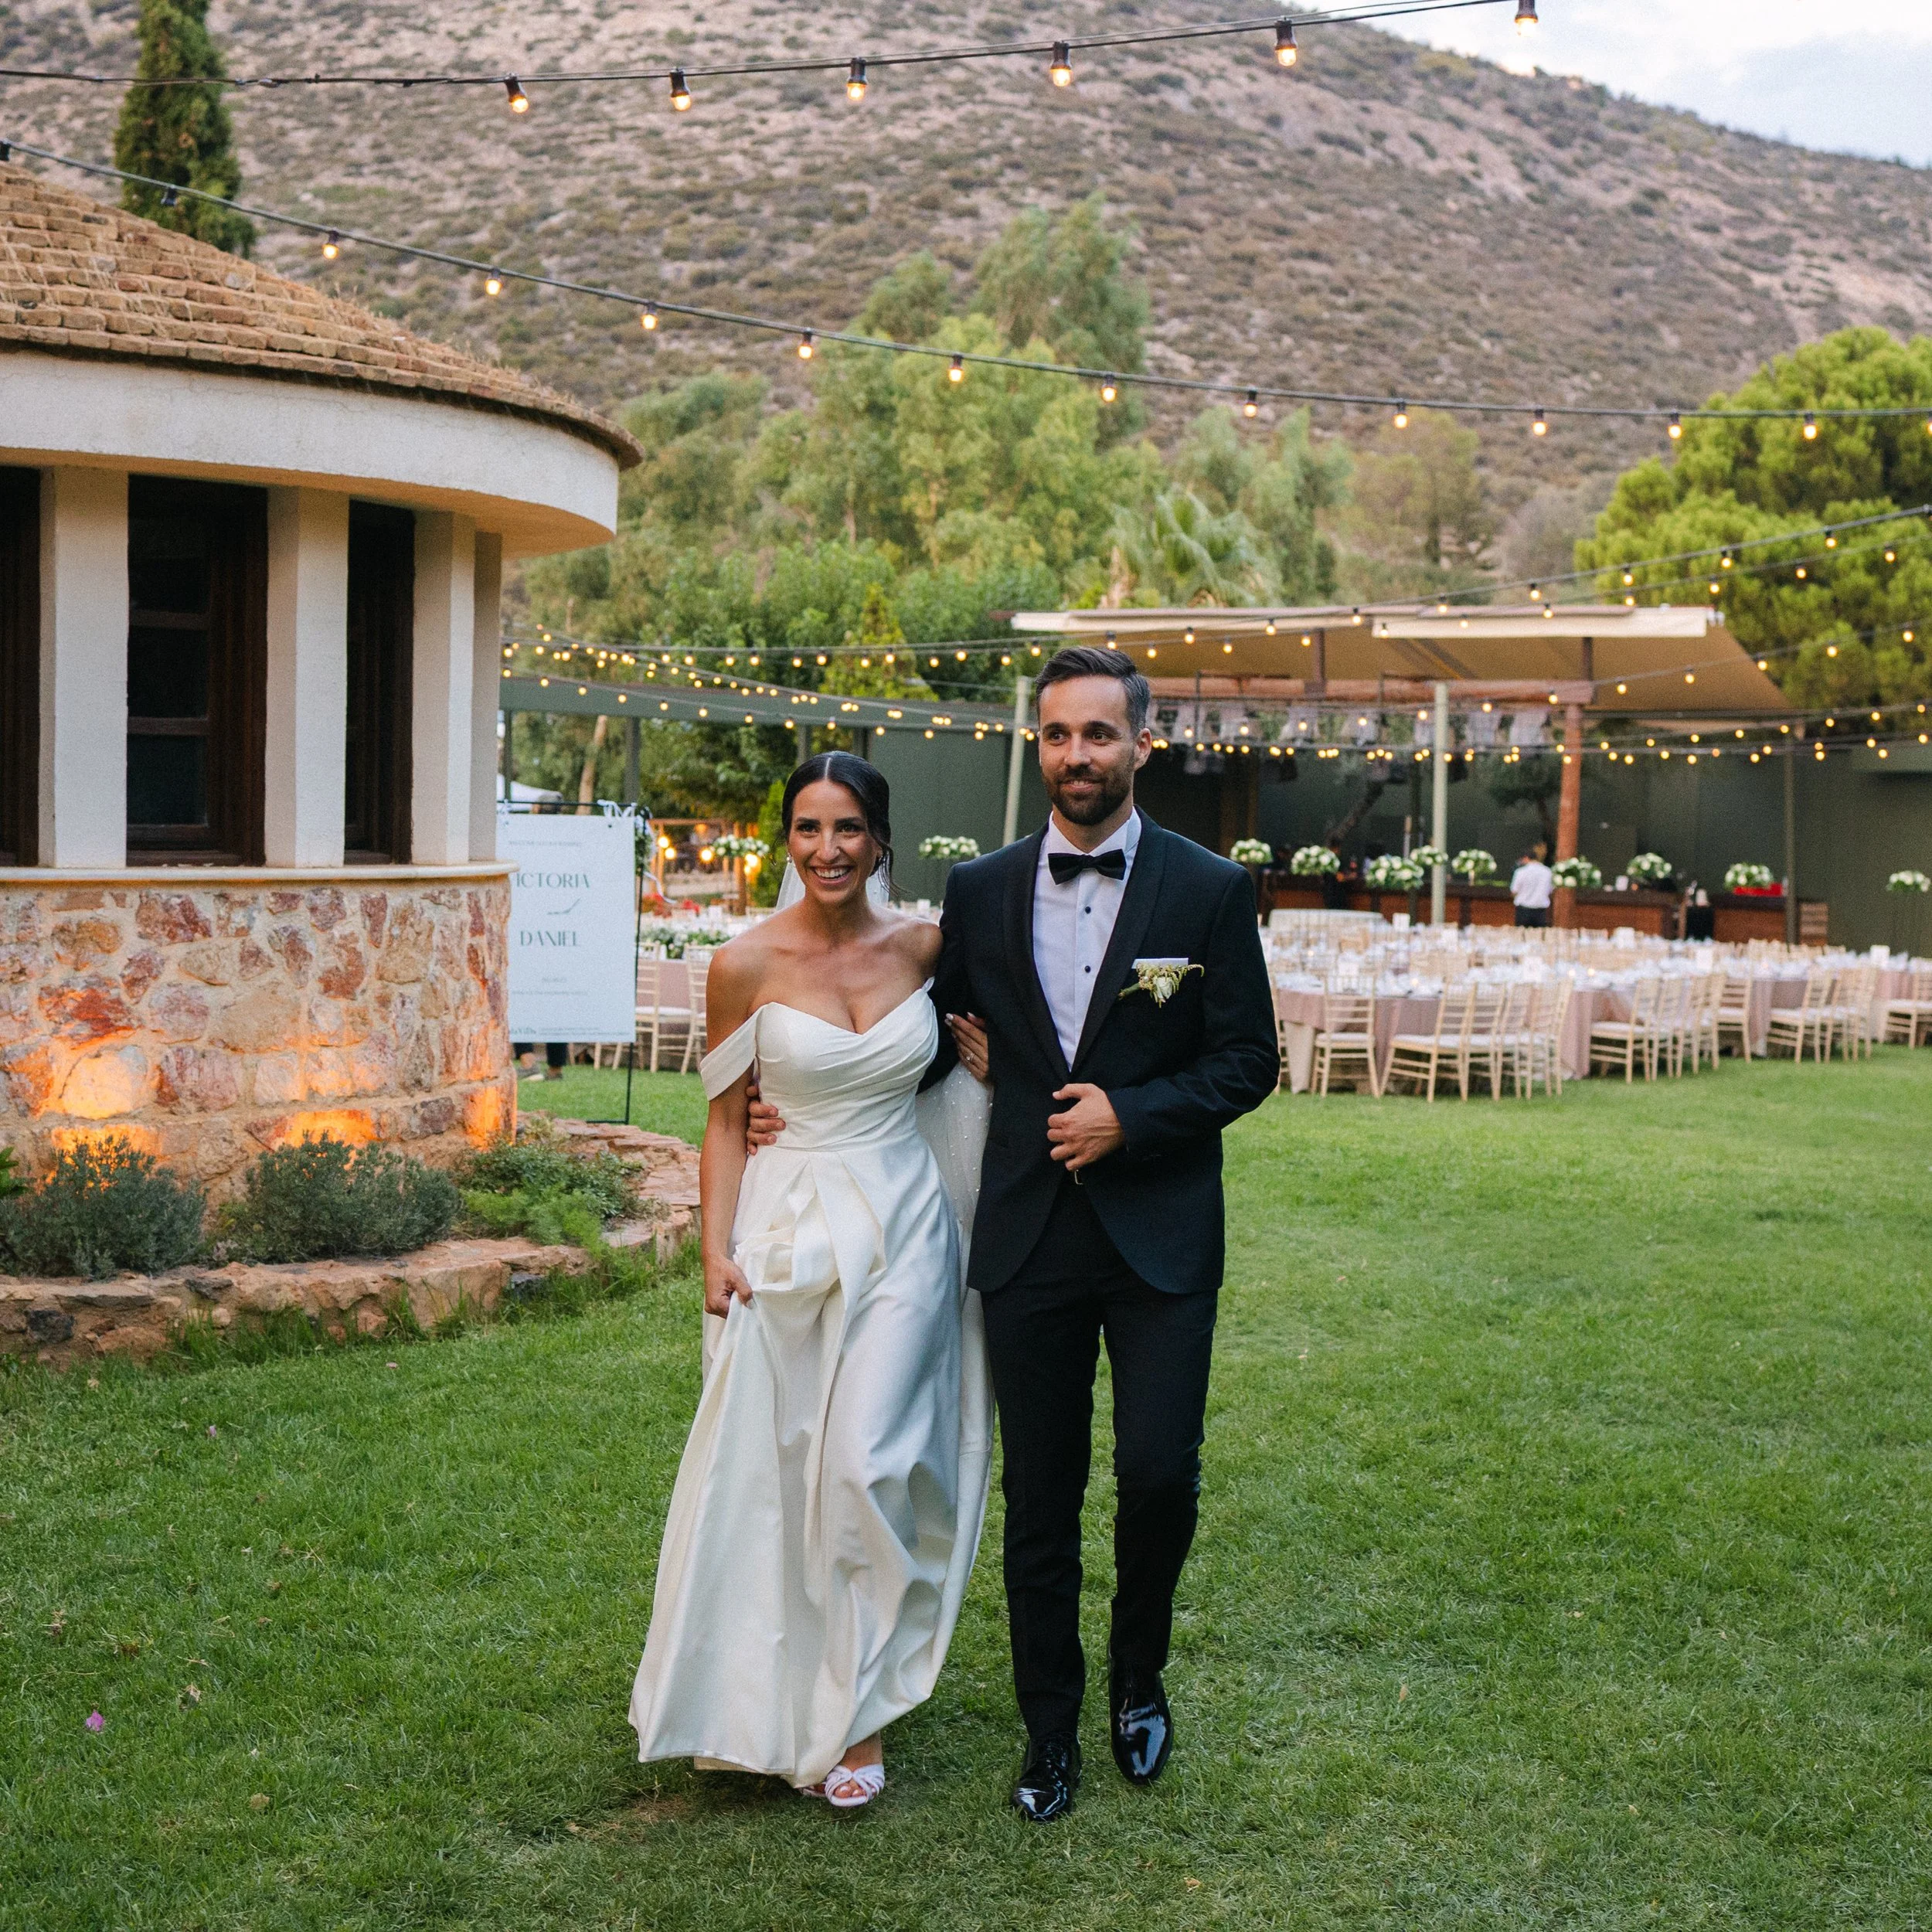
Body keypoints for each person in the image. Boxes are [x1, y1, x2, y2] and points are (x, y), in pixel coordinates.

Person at [752, 645, 1278, 1822]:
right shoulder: (981, 890)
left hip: (1161, 1240)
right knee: (1040, 1496)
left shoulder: (1207, 888)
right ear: (1036, 745)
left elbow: (1251, 1059)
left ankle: (1137, 1681)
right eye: (1056, 734)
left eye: (1098, 733)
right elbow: (916, 1038)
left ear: (1141, 743)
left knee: (1159, 1476)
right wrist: (786, 1095)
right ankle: (1049, 1728)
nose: (1076, 755)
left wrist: (1131, 1115)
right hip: (1029, 1235)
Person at [628, 753, 993, 1810]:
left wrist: (998, 1071)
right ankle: (758, 1694)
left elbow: (961, 1069)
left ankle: (858, 1711)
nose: (827, 849)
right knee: (780, 1465)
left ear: (881, 841)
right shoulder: (741, 964)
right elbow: (722, 1119)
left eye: (847, 829)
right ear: (785, 839)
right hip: (787, 1228)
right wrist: (713, 1250)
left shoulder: (926, 949)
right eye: (807, 828)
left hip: (906, 1227)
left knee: (869, 1462)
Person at [1511, 842, 1554, 928]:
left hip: (1523, 911)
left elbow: (1514, 891)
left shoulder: (1520, 872)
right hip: (1540, 912)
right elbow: (1550, 890)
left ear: (1526, 858)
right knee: (1539, 935)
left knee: (1521, 935)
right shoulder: (1548, 872)